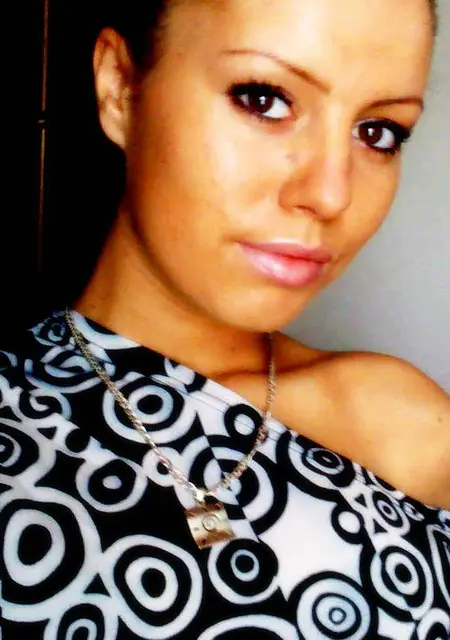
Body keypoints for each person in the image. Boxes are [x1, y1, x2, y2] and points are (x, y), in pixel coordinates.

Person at [1, 0, 449, 638]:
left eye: (379, 131)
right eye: (264, 99)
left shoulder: (407, 424)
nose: (331, 194)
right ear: (119, 89)